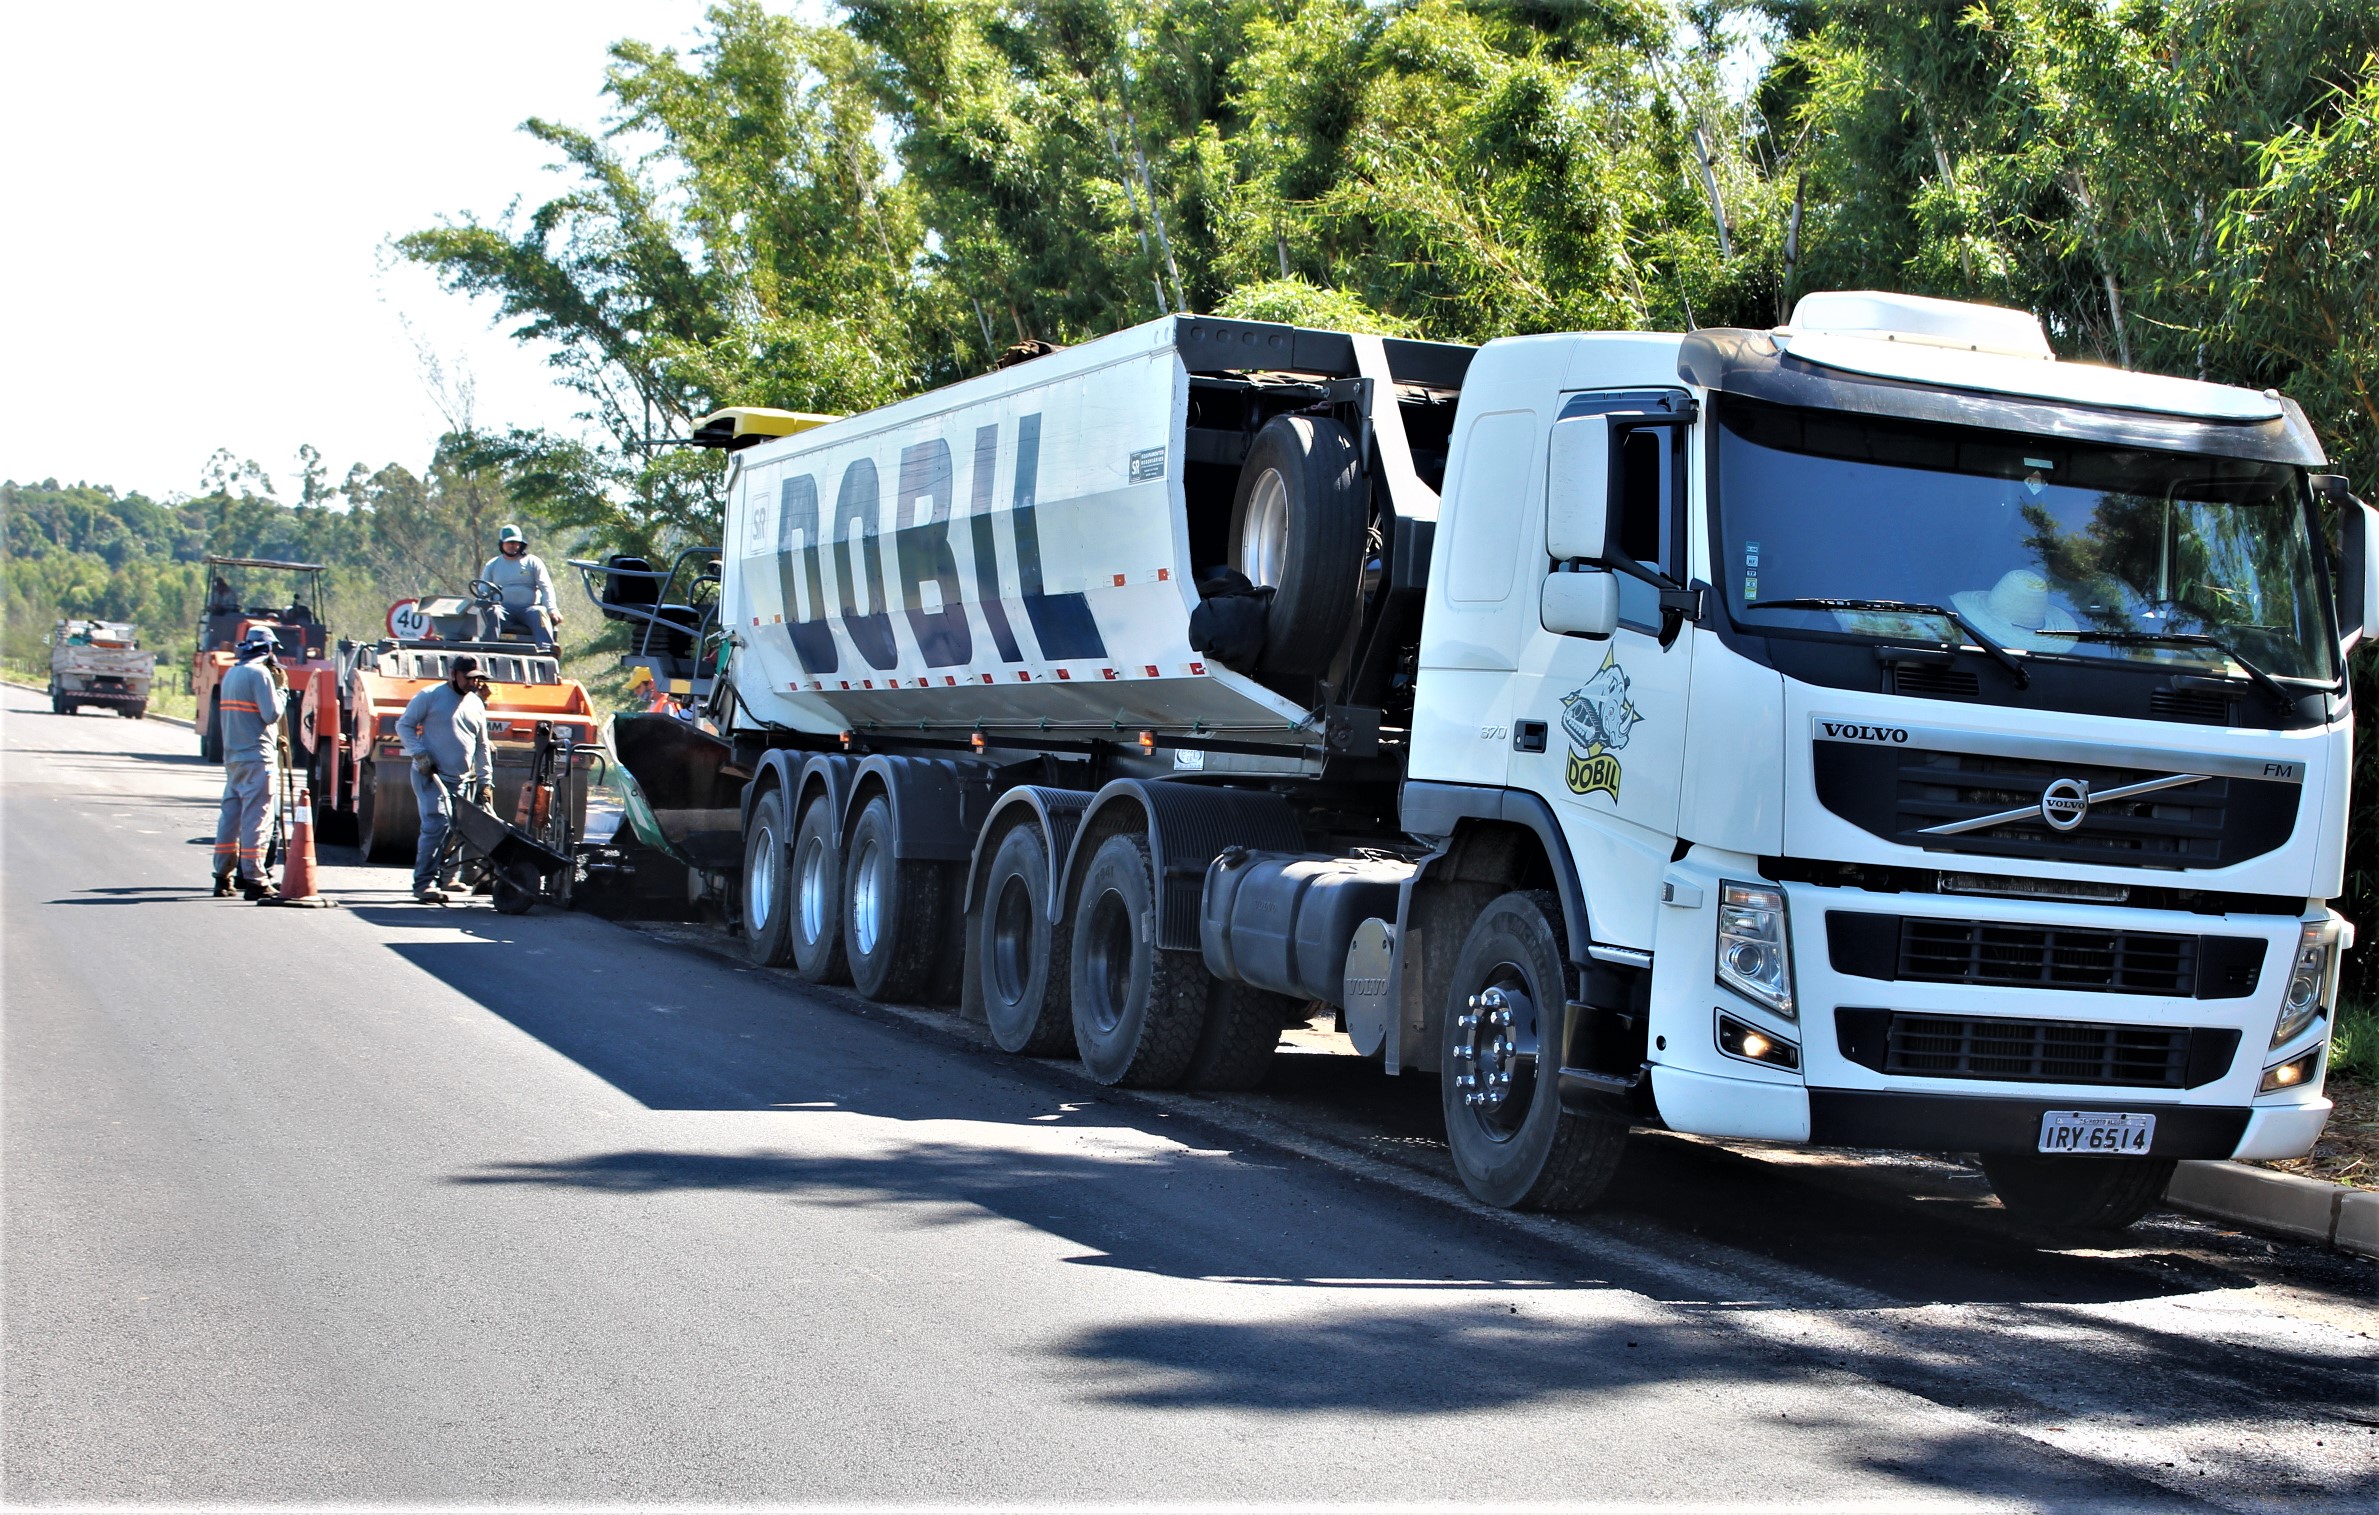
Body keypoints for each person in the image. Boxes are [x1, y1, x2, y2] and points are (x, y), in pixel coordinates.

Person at [397, 654, 493, 904]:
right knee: (435, 826)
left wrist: (485, 781)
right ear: (453, 674)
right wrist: (419, 754)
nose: (473, 683)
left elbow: (482, 745)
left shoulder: (476, 704)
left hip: (463, 778)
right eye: (468, 678)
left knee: (459, 829)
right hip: (432, 775)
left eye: (477, 679)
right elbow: (404, 725)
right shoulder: (430, 696)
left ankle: (448, 878)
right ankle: (423, 884)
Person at [211, 627, 286, 900]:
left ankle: (222, 877)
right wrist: (283, 693)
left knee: (230, 818)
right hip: (257, 757)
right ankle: (255, 879)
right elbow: (271, 714)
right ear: (267, 650)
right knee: (258, 818)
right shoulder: (260, 674)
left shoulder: (232, 673)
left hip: (233, 758)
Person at [480, 524, 562, 644]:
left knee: (540, 613)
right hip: (503, 609)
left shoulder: (533, 562)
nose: (512, 545)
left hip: (529, 609)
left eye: (515, 542)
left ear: (521, 544)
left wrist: (552, 609)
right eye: (508, 542)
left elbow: (546, 588)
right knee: (493, 612)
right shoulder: (492, 565)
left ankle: (546, 650)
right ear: (502, 544)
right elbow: (483, 592)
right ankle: (486, 648)